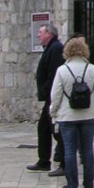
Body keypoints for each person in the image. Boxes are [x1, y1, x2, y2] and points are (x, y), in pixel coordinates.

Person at [50, 36, 94, 188]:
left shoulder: (62, 70)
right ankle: (89, 183)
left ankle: (72, 184)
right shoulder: (91, 68)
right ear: (85, 51)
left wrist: (53, 112)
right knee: (88, 150)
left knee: (69, 150)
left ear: (67, 51)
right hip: (88, 115)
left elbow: (55, 95)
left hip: (67, 116)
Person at [27, 23, 65, 177]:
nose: (38, 35)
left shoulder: (55, 48)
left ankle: (63, 162)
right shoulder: (50, 48)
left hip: (53, 96)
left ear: (49, 33)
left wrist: (48, 91)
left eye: (40, 32)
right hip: (50, 96)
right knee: (44, 128)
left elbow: (54, 74)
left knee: (56, 130)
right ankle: (44, 161)